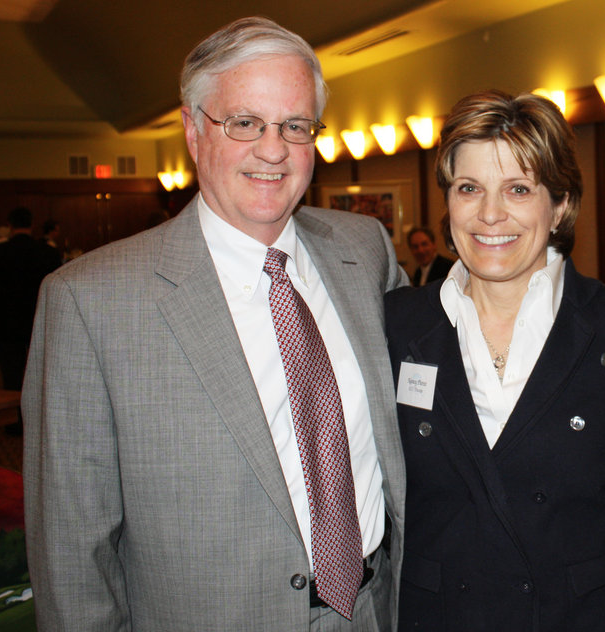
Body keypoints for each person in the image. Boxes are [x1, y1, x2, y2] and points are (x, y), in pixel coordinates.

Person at [22, 17, 407, 631]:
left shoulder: (364, 252)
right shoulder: (90, 303)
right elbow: (72, 551)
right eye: (245, 123)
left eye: (294, 125)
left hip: (375, 610)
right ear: (194, 130)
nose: (273, 148)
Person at [384, 90, 605, 631]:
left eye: (518, 188)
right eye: (469, 188)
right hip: (441, 616)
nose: (490, 214)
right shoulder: (396, 324)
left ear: (560, 204)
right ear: (447, 201)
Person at [0, 206, 61, 435]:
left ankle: (16, 421)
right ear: (32, 224)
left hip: (6, 322)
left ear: (10, 225)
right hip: (40, 320)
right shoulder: (47, 252)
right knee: (42, 372)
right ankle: (41, 422)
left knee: (12, 374)